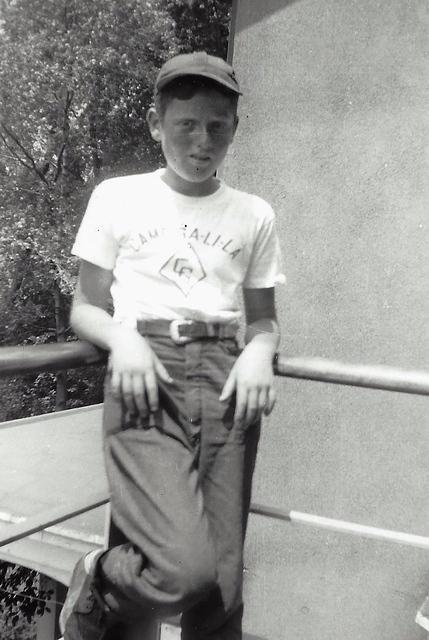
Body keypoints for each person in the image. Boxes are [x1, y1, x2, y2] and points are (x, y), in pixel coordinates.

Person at [59, 51, 284, 640]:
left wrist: (260, 352)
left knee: (225, 583)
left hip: (227, 381)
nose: (201, 140)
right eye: (185, 123)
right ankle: (101, 579)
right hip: (145, 379)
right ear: (157, 125)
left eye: (217, 125)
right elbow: (84, 307)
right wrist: (121, 338)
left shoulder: (253, 215)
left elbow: (263, 320)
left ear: (235, 129)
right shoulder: (118, 197)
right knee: (184, 568)